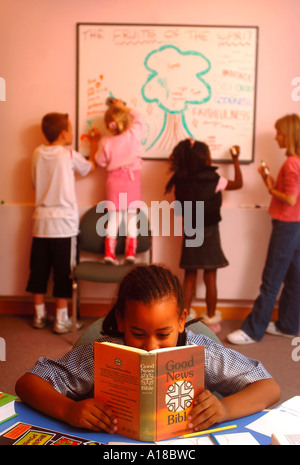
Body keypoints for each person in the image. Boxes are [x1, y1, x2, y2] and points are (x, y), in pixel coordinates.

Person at [16, 264, 281, 434]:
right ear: (121, 321)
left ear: (180, 321)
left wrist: (223, 410)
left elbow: (269, 388)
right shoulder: (102, 354)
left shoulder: (202, 351)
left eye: (163, 334)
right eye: (138, 333)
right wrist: (68, 410)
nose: (151, 346)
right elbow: (28, 383)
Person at [227, 114, 300, 345]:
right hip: (297, 224)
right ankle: (288, 325)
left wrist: (271, 191)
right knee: (295, 277)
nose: (277, 137)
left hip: (286, 225)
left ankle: (252, 330)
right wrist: (269, 182)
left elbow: (289, 198)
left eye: (279, 132)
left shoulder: (291, 163)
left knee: (271, 279)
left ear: (288, 135)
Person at [26, 112, 94, 334]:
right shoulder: (69, 154)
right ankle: (61, 319)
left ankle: (39, 315)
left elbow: (35, 184)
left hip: (41, 223)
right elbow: (89, 167)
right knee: (64, 272)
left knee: (38, 270)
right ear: (64, 133)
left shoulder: (36, 153)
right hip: (64, 225)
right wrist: (93, 144)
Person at [165, 139, 243, 333]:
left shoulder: (181, 179)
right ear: (205, 158)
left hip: (191, 229)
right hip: (210, 231)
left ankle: (184, 318)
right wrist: (235, 160)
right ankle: (211, 320)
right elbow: (239, 183)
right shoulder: (215, 179)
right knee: (210, 277)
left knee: (189, 276)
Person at [89, 98, 144, 265]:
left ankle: (109, 253)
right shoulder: (133, 133)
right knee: (131, 218)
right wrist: (124, 107)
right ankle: (130, 253)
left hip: (113, 182)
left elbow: (101, 162)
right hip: (131, 181)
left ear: (108, 125)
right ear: (126, 121)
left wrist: (95, 143)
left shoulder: (105, 142)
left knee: (113, 218)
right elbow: (140, 116)